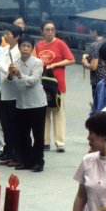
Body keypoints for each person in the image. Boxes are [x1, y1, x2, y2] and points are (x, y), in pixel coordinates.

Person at [8, 36, 47, 172]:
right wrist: (10, 74)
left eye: (28, 46)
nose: (25, 49)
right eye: (23, 46)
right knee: (23, 135)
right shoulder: (16, 62)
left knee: (38, 135)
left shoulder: (37, 63)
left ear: (32, 49)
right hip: (21, 104)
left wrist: (19, 75)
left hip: (37, 104)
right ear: (19, 47)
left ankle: (38, 162)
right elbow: (11, 83)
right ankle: (26, 161)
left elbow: (32, 81)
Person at [35, 20, 75, 153]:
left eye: (52, 29)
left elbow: (71, 59)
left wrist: (56, 64)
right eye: (47, 29)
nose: (50, 32)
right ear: (42, 32)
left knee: (58, 112)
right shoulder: (39, 45)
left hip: (57, 84)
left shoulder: (60, 43)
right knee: (44, 113)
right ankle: (45, 142)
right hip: (42, 83)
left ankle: (60, 142)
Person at [0, 25, 22, 164]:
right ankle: (7, 151)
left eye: (8, 34)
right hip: (2, 91)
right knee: (5, 125)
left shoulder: (18, 52)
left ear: (16, 36)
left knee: (12, 125)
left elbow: (9, 73)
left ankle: (14, 152)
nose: (5, 36)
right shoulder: (6, 50)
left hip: (12, 93)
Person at [82, 21, 106, 105]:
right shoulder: (105, 42)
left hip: (97, 80)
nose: (89, 32)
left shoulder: (94, 45)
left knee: (97, 104)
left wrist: (85, 63)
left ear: (95, 31)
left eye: (90, 30)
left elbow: (93, 67)